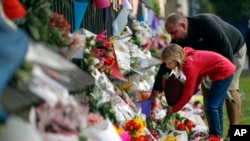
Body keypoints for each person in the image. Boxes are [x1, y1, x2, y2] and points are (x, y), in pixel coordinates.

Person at [151, 13, 246, 140]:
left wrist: (225, 81)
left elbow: (226, 50)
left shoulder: (206, 24)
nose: (172, 37)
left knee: (230, 89)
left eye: (174, 32)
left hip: (232, 51)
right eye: (170, 34)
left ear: (183, 26)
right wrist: (157, 88)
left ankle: (235, 133)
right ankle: (214, 134)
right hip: (209, 63)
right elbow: (166, 66)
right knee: (208, 94)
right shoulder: (178, 41)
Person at [162, 43, 235, 140]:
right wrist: (194, 89)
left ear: (176, 59)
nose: (167, 66)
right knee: (216, 105)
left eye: (169, 63)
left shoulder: (189, 66)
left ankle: (216, 135)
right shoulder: (186, 58)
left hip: (224, 72)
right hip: (223, 69)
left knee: (211, 105)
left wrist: (175, 108)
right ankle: (217, 135)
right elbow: (199, 75)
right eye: (166, 63)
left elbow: (187, 93)